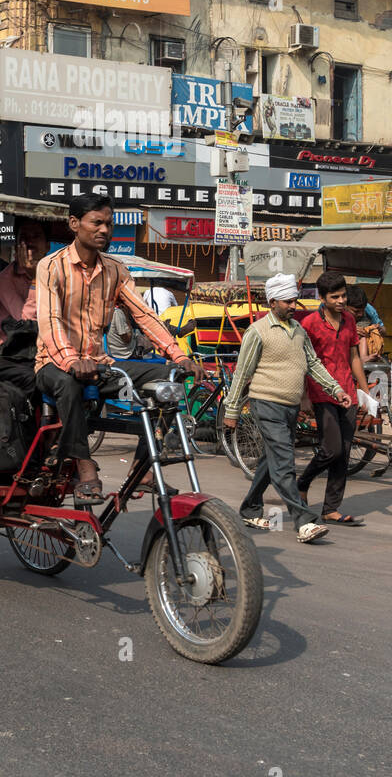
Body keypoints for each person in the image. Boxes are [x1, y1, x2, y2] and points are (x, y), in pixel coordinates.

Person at [34, 195, 201, 505]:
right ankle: (85, 469)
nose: (104, 230)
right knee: (69, 383)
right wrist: (72, 360)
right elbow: (50, 320)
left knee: (170, 378)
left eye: (108, 224)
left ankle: (142, 467)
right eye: (96, 222)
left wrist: (178, 355)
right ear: (74, 224)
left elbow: (144, 316)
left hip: (99, 366)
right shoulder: (51, 266)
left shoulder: (115, 269)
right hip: (54, 364)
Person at [223, 275, 349, 542]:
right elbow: (242, 373)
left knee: (271, 461)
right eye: (288, 301)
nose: (293, 305)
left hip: (290, 407)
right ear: (273, 302)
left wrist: (335, 389)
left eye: (295, 300)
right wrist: (232, 410)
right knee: (284, 463)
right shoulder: (257, 332)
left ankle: (250, 509)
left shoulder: (299, 331)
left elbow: (313, 364)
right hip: (266, 404)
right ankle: (304, 521)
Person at [297, 272, 373, 526]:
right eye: (335, 297)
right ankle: (303, 481)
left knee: (344, 452)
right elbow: (303, 363)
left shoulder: (350, 320)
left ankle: (331, 508)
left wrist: (364, 392)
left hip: (348, 393)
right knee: (332, 449)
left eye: (343, 296)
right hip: (321, 392)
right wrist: (305, 397)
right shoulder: (309, 324)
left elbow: (354, 358)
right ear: (322, 298)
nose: (341, 301)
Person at [0, 218, 49, 347]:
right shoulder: (4, 280)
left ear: (47, 246)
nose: (29, 242)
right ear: (16, 248)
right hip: (13, 350)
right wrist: (35, 278)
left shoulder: (56, 273)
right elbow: (27, 323)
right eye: (24, 237)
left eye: (36, 236)